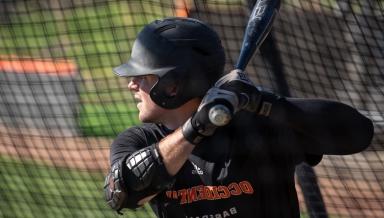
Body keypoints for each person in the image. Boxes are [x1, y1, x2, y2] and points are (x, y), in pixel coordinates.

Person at [104, 17, 374, 218]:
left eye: (143, 76)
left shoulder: (258, 130)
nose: (132, 85)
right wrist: (197, 127)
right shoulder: (138, 140)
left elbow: (358, 133)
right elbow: (121, 192)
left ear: (172, 85)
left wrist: (262, 102)